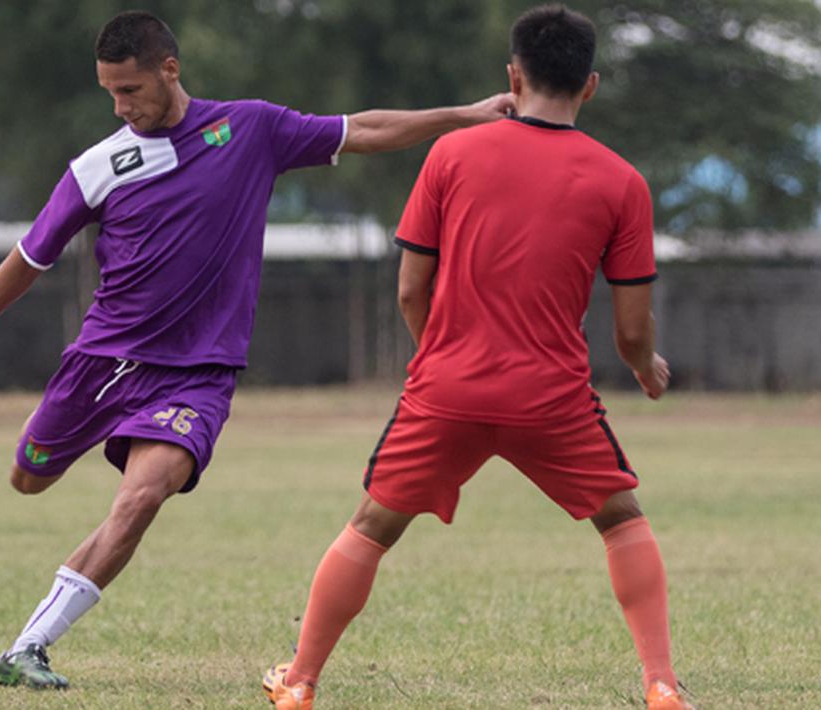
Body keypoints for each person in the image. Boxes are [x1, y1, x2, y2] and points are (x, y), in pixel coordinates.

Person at [0, 11, 513, 689]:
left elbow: (365, 129)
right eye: (110, 94)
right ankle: (52, 510)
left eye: (132, 91)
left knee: (141, 497)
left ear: (169, 70)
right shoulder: (99, 166)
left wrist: (464, 115)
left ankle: (27, 648)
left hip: (198, 373)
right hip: (105, 361)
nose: (122, 108)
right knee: (29, 478)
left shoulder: (251, 128)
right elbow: (31, 256)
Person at [262, 5, 689, 710]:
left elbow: (409, 290)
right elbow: (632, 333)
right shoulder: (621, 182)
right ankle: (661, 683)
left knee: (370, 527)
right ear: (590, 86)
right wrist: (645, 369)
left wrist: (443, 360)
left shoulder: (451, 154)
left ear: (512, 76)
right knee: (621, 519)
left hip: (446, 390)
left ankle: (301, 680)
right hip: (551, 399)